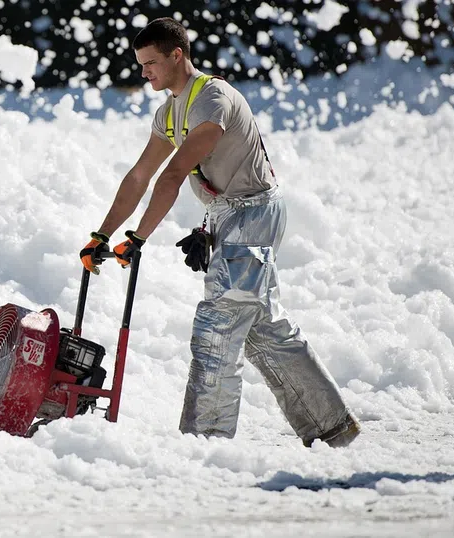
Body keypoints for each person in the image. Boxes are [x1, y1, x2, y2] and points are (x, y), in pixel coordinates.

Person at [79, 17, 360, 447]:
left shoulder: (212, 99)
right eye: (140, 64)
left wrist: (138, 238)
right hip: (229, 215)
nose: (144, 72)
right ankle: (331, 426)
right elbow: (139, 176)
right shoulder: (169, 112)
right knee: (261, 327)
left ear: (177, 55)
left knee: (219, 324)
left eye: (151, 63)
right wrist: (101, 235)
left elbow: (172, 175)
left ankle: (203, 442)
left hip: (253, 213)